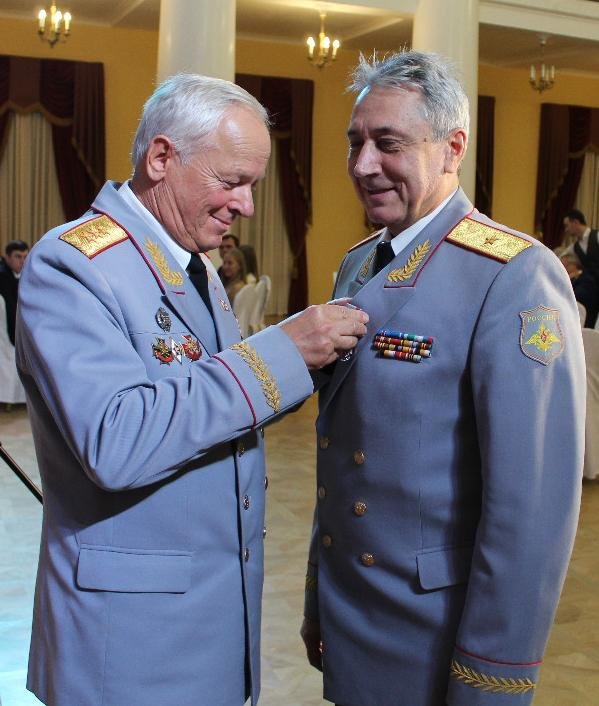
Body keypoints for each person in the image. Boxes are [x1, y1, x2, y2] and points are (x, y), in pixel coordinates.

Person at [17, 73, 368, 706]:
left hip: (208, 621)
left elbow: (214, 413)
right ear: (161, 158)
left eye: (253, 185)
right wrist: (280, 352)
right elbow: (117, 439)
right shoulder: (71, 264)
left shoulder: (191, 265)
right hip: (127, 644)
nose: (247, 206)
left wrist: (305, 363)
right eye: (231, 181)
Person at [301, 51, 585, 706]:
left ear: (452, 147)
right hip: (355, 608)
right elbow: (341, 458)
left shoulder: (513, 275)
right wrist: (319, 595)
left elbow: (530, 509)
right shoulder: (358, 264)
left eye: (388, 143)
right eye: (355, 142)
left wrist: (490, 675)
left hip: (431, 633)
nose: (363, 165)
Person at [560, 208, 599, 327]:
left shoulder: (597, 236)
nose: (566, 230)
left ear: (575, 222)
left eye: (567, 225)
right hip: (590, 288)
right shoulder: (575, 246)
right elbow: (560, 257)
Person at [0, 240, 29, 345]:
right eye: (18, 256)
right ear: (7, 257)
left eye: (25, 257)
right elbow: (11, 310)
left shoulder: (24, 273)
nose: (22, 261)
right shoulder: (2, 276)